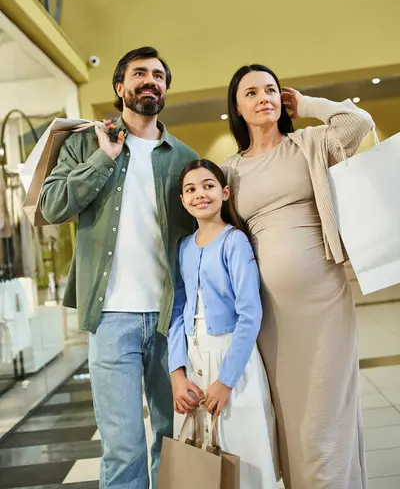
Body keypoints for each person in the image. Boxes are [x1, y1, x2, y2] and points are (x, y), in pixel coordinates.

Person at [40, 47, 198, 489]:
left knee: (174, 439)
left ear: (165, 89)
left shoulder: (184, 156)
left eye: (159, 76)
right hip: (111, 318)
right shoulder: (85, 143)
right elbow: (53, 206)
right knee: (123, 447)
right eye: (140, 73)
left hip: (172, 320)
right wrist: (104, 158)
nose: (151, 80)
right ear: (119, 87)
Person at [221, 64, 374, 489]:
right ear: (237, 107)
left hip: (324, 302)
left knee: (324, 419)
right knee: (290, 417)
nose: (263, 97)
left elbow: (359, 122)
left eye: (270, 90)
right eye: (250, 92)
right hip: (269, 315)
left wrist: (306, 104)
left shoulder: (309, 143)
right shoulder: (230, 170)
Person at [168, 158, 278, 489]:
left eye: (208, 186)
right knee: (199, 460)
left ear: (224, 192)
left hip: (233, 361)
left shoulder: (235, 242)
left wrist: (226, 381)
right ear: (182, 201)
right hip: (194, 362)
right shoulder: (184, 248)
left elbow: (250, 313)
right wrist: (177, 374)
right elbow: (177, 310)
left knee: (242, 456)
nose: (199, 194)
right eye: (190, 189)